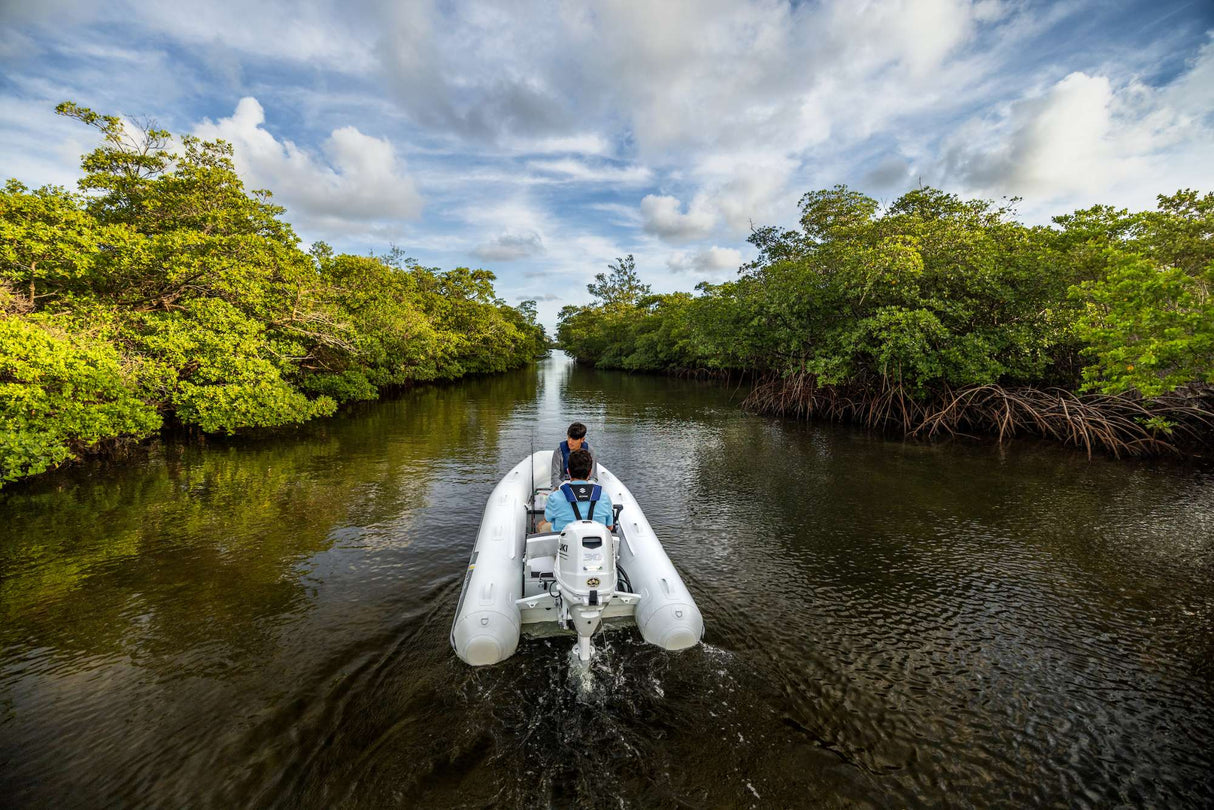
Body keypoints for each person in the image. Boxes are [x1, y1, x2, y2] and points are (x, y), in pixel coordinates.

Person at [539, 448, 614, 533]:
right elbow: (610, 527)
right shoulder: (604, 497)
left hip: (564, 542)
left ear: (569, 472)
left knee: (542, 525)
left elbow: (547, 520)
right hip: (596, 542)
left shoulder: (555, 497)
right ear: (589, 473)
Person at [550, 421, 599, 489]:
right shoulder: (558, 452)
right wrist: (567, 489)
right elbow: (555, 478)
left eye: (574, 439)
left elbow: (593, 478)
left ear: (582, 439)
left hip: (583, 487)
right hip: (562, 486)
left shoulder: (590, 452)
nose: (570, 442)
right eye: (569, 437)